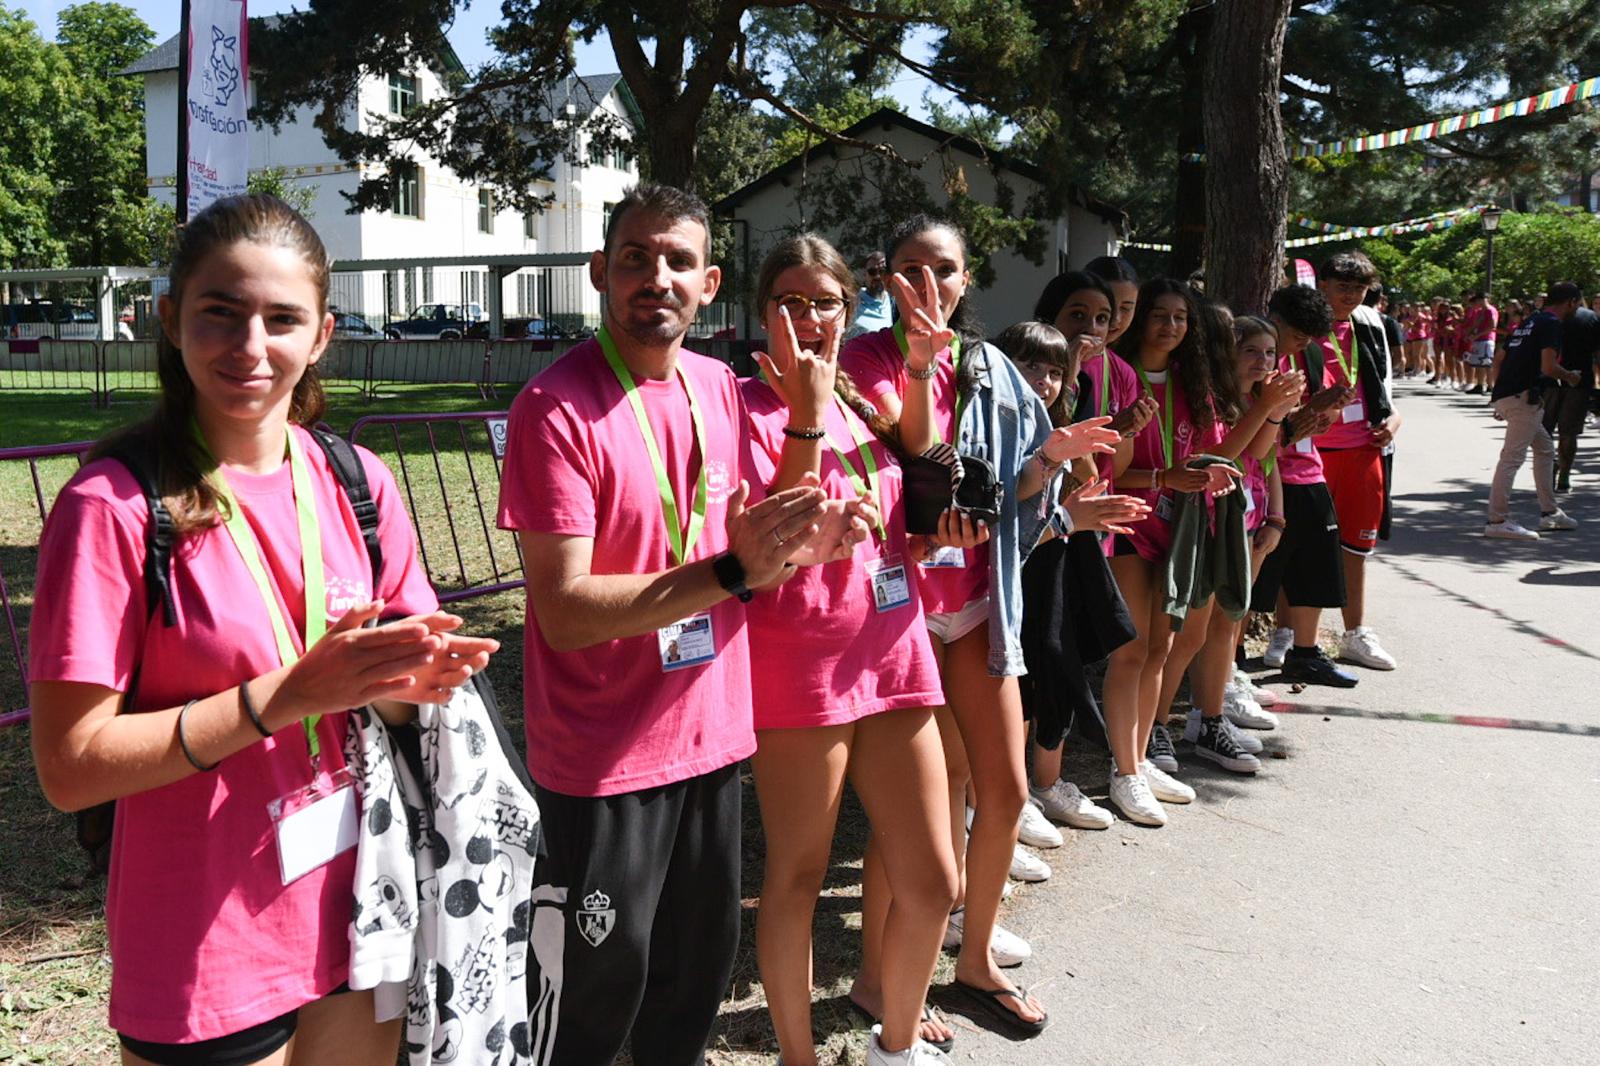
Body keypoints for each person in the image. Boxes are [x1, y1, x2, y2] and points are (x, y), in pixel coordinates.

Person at [28, 194, 497, 1066]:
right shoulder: (113, 507)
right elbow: (69, 767)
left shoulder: (358, 482)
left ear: (322, 335)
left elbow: (402, 701)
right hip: (205, 941)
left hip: (364, 907)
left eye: (283, 319)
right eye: (221, 313)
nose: (251, 347)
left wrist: (412, 680)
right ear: (169, 321)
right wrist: (294, 693)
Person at [497, 183, 869, 1066]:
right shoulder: (554, 410)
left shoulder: (718, 388)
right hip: (602, 762)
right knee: (592, 1004)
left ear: (709, 283)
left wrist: (805, 539)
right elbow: (565, 612)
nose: (653, 277)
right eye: (634, 257)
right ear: (599, 273)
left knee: (690, 989)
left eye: (675, 261)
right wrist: (733, 571)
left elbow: (757, 542)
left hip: (712, 738)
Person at [841, 214, 1116, 1037]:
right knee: (914, 815)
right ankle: (877, 979)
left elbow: (1016, 496)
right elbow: (897, 473)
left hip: (980, 609)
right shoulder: (861, 364)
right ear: (884, 277)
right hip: (902, 617)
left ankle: (974, 956)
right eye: (910, 269)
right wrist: (922, 531)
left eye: (945, 270)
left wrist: (1052, 458)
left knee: (998, 793)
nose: (928, 286)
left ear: (969, 280)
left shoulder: (992, 365)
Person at [739, 234, 959, 1066]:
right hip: (801, 664)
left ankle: (895, 1047)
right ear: (763, 313)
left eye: (824, 302)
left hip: (894, 649)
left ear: (845, 310)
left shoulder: (861, 400)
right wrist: (802, 411)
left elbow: (918, 477)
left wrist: (930, 528)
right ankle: (798, 1058)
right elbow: (761, 543)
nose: (808, 318)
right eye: (790, 302)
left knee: (935, 877)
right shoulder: (739, 403)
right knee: (796, 873)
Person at [1096, 278, 1248, 823]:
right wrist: (1164, 475)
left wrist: (1213, 475)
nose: (1170, 325)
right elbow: (1108, 469)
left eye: (1181, 317)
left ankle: (1137, 757)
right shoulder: (1118, 375)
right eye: (1159, 314)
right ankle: (1125, 773)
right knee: (1133, 649)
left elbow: (1211, 455)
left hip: (1179, 526)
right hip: (1128, 521)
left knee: (1162, 645)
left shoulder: (1195, 382)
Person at [998, 313, 1150, 832]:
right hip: (1007, 582)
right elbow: (1004, 527)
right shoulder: (993, 431)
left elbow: (1084, 481)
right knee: (1015, 692)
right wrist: (1068, 518)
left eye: (1054, 371)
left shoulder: (1052, 421)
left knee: (1058, 672)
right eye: (1029, 366)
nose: (1042, 380)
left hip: (1054, 564)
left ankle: (1044, 786)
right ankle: (1003, 802)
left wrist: (1083, 504)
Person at [1145, 301, 1301, 776]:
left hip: (1236, 520)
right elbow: (1219, 456)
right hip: (1201, 521)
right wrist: (1269, 408)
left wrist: (1275, 518)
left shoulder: (1245, 399)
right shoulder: (1204, 392)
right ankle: (1154, 725)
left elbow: (1262, 456)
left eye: (1269, 352)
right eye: (1248, 349)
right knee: (1186, 634)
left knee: (1223, 628)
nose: (1262, 360)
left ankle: (1207, 721)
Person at [1256, 283, 1360, 687]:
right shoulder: (1256, 357)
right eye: (1297, 337)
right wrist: (1299, 418)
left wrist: (1326, 407)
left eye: (1309, 340)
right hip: (1267, 476)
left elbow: (1311, 418)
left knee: (1315, 570)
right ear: (1276, 321)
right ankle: (1228, 666)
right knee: (1259, 577)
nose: (1302, 346)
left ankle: (1306, 653)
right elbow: (1252, 425)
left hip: (1308, 471)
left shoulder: (1310, 355)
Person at [1308, 255, 1402, 673]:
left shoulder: (1369, 322)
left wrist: (1394, 420)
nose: (1349, 295)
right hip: (1310, 452)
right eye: (1341, 285)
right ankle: (1289, 635)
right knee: (1299, 546)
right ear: (1322, 285)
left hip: (1364, 450)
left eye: (1358, 287)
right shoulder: (1305, 323)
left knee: (1357, 547)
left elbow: (1383, 386)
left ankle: (1355, 633)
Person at [1485, 281, 1583, 540]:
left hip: (1512, 395)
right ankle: (1498, 519)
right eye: (1578, 303)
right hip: (1523, 398)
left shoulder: (1530, 321)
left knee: (1544, 449)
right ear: (1571, 302)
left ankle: (1550, 513)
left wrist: (1500, 396)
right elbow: (1549, 367)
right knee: (1511, 458)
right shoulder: (1551, 324)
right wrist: (1571, 377)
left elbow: (1499, 359)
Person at [1542, 287, 1599, 493]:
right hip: (1579, 382)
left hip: (1548, 381)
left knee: (1544, 430)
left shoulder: (1544, 317)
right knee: (1569, 433)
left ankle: (1549, 469)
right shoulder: (1592, 318)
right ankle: (1564, 474)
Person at [1462, 292, 1499, 395]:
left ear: (1486, 299)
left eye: (1480, 299)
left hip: (1487, 339)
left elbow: (1492, 327)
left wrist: (1477, 335)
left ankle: (1491, 386)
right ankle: (1480, 384)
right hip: (1478, 340)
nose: (1479, 302)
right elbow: (1476, 324)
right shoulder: (1480, 311)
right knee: (1478, 364)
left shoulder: (1491, 310)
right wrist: (1469, 334)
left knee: (1487, 363)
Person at [851, 251, 894, 336]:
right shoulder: (853, 303)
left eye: (882, 271)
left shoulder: (895, 303)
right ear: (864, 275)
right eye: (872, 272)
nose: (877, 276)